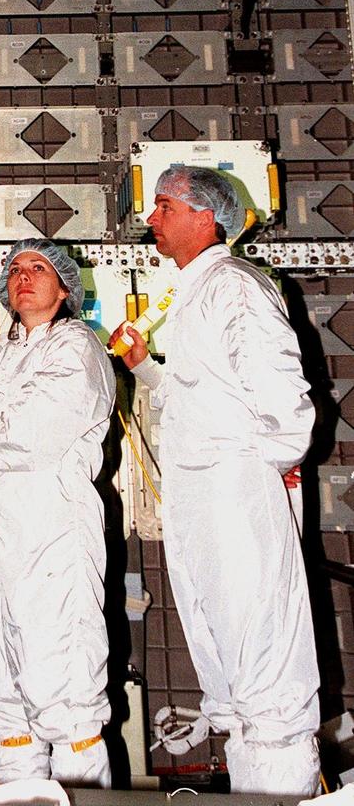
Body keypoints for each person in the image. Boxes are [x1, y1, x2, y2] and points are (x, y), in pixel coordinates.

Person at [110, 165, 320, 796]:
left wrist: (251, 474)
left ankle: (284, 788)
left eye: (164, 206)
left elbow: (285, 404)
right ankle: (257, 788)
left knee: (265, 673)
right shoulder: (195, 293)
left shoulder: (235, 286)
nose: (151, 219)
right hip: (203, 498)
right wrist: (145, 368)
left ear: (206, 217)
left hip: (236, 496)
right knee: (228, 673)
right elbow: (200, 396)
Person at [0, 239, 115, 787]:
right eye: (14, 269)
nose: (23, 276)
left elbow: (32, 436)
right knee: (5, 706)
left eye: (38, 268)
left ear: (65, 289)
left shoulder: (79, 348)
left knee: (67, 700)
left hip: (51, 537)